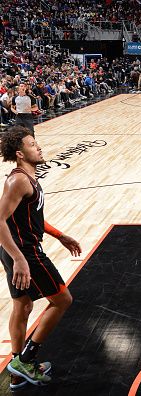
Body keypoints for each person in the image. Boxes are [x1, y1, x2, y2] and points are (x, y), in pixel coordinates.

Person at [0, 126, 81, 389]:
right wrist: (20, 259)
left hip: (15, 249)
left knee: (22, 306)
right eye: (32, 144)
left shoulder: (29, 178)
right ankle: (26, 358)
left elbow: (30, 217)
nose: (39, 147)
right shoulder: (19, 180)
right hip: (25, 253)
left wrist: (60, 235)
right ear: (20, 153)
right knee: (62, 300)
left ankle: (16, 372)